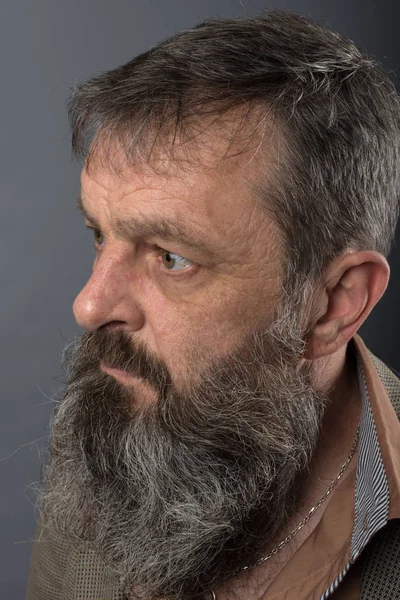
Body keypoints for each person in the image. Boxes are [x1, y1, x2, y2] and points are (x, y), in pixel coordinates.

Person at [27, 9, 400, 600]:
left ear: (333, 303)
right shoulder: (117, 423)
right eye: (100, 234)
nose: (90, 304)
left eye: (171, 257)